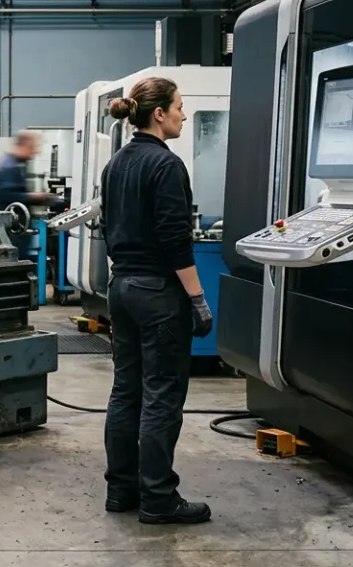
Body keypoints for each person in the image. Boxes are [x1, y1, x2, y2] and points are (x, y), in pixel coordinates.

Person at [99, 77, 214, 525]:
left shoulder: (116, 166)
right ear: (160, 114)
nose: (184, 115)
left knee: (126, 390)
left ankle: (121, 490)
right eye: (181, 107)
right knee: (161, 395)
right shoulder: (166, 167)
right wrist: (198, 298)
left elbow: (109, 228)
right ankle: (158, 499)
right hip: (157, 293)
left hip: (121, 288)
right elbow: (175, 240)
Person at [0, 130, 63, 259]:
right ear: (24, 145)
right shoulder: (9, 166)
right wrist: (37, 197)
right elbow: (8, 196)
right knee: (17, 263)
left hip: (18, 228)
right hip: (13, 229)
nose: (36, 151)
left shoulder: (16, 164)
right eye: (34, 147)